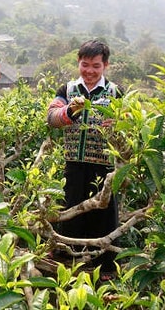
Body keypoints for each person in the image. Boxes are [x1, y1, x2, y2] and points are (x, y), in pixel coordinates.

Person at [46, 39, 123, 281]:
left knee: (105, 214)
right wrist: (70, 111)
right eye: (85, 64)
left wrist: (119, 124)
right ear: (78, 63)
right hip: (75, 164)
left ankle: (105, 269)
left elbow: (130, 123)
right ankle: (68, 262)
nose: (89, 71)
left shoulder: (115, 92)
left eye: (96, 66)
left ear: (105, 66)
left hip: (105, 165)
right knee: (72, 209)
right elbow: (51, 117)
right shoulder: (67, 90)